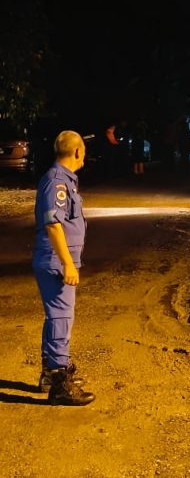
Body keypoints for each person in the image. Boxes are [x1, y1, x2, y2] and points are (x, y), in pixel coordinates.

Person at [34, 130, 95, 405]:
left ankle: (50, 372)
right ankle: (59, 385)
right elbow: (53, 224)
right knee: (61, 318)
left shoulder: (64, 180)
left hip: (57, 259)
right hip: (57, 262)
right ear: (78, 152)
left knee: (56, 317)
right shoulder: (57, 181)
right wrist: (68, 264)